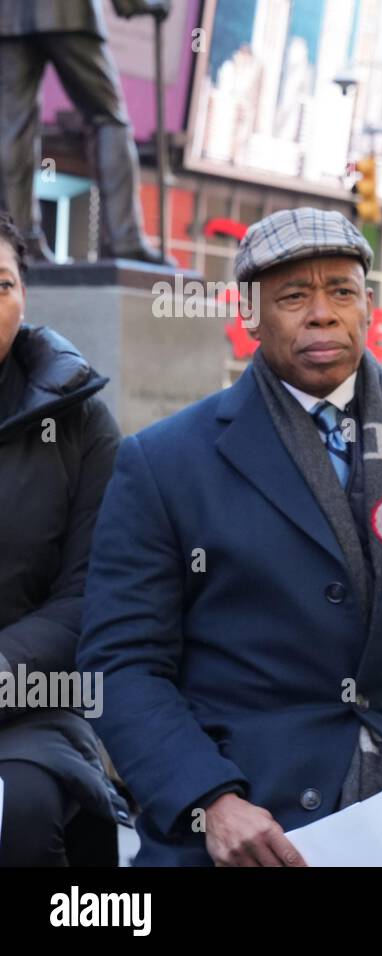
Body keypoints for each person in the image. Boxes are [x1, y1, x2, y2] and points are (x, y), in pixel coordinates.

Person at [78, 208, 382, 866]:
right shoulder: (166, 462)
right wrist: (210, 798)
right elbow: (121, 663)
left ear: (368, 305)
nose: (321, 313)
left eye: (340, 290)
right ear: (249, 316)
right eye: (293, 296)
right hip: (246, 790)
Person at [0, 211, 127, 865]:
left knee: (17, 808)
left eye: (1, 285)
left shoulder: (78, 420)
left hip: (29, 708)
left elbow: (92, 595)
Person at [0, 0, 171, 262]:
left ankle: (19, 244)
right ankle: (123, 240)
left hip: (9, 19)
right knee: (109, 118)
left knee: (13, 130)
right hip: (67, 11)